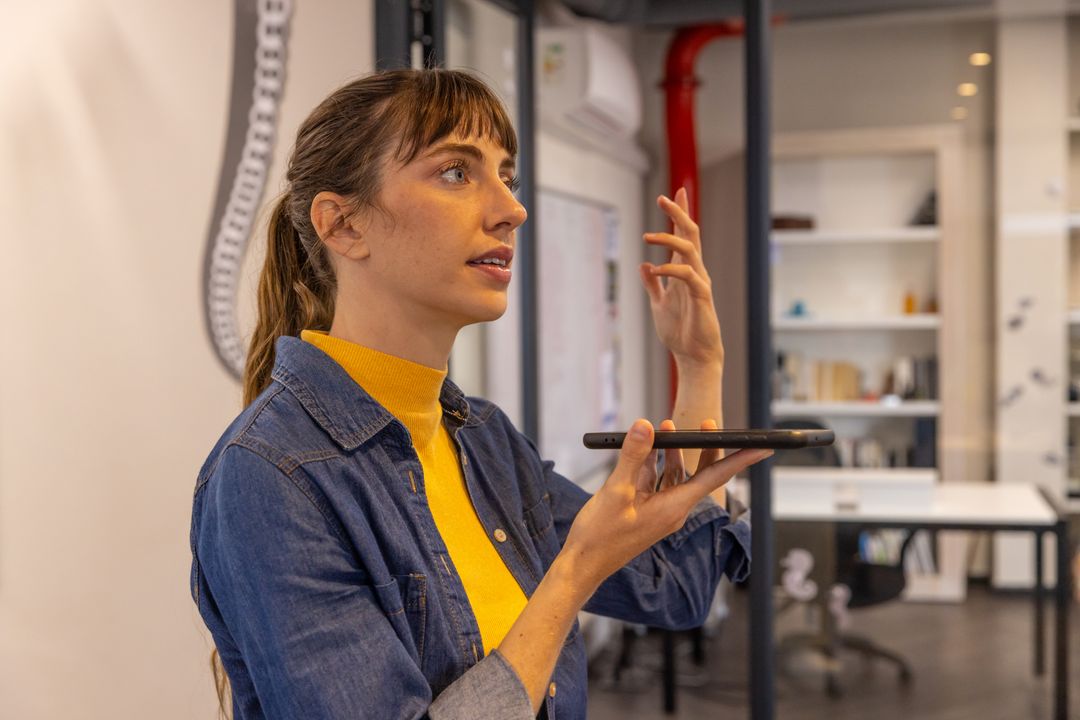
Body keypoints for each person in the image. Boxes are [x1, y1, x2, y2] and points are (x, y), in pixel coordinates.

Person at [189, 68, 769, 720]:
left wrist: (698, 366)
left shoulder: (482, 439)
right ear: (343, 225)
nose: (512, 209)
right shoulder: (272, 475)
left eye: (506, 176)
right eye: (457, 173)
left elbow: (675, 586)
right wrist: (574, 572)